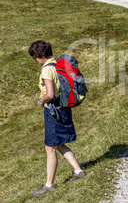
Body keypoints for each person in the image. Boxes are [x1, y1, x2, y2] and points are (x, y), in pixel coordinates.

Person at [29, 40, 86, 198]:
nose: (35, 60)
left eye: (34, 57)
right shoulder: (57, 64)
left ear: (41, 55)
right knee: (59, 143)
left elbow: (49, 94)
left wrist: (41, 101)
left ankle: (49, 185)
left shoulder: (47, 70)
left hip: (53, 111)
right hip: (64, 108)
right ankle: (78, 170)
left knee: (50, 148)